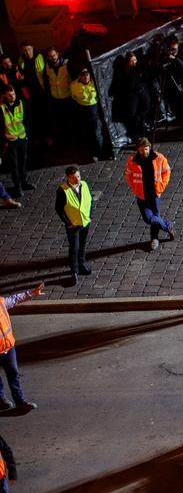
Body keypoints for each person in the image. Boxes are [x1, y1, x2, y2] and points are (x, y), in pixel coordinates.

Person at [124, 138, 174, 251]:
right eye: (141, 150)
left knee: (155, 216)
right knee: (149, 218)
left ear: (149, 147)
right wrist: (134, 188)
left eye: (146, 149)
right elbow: (128, 175)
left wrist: (162, 185)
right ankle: (167, 225)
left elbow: (167, 171)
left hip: (155, 194)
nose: (144, 152)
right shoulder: (132, 160)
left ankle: (154, 239)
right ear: (138, 150)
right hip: (142, 195)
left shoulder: (159, 158)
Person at [0, 284, 44, 413]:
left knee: (13, 373)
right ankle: (2, 400)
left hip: (8, 347)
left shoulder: (1, 302)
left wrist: (32, 293)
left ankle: (20, 401)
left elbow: (14, 299)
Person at [54, 165, 93, 285]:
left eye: (78, 176)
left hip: (85, 222)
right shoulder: (62, 190)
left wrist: (90, 215)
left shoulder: (84, 184)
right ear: (68, 178)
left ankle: (81, 265)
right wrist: (67, 222)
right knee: (74, 248)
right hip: (73, 225)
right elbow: (58, 208)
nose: (77, 179)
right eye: (74, 177)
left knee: (82, 245)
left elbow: (88, 200)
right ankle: (74, 271)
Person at [1, 85, 31, 197]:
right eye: (9, 95)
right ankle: (17, 187)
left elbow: (26, 120)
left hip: (22, 137)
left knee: (23, 161)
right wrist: (5, 140)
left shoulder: (21, 103)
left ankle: (24, 183)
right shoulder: (2, 108)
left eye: (13, 94)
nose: (12, 97)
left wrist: (27, 135)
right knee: (14, 165)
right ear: (5, 96)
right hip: (11, 140)